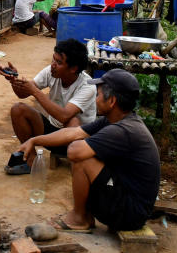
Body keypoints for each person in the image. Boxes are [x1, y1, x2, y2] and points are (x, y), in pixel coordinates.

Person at [16, 69, 161, 233]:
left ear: (112, 101)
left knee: (82, 157)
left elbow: (74, 152)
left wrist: (85, 146)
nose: (95, 99)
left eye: (98, 95)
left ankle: (80, 217)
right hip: (127, 199)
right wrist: (35, 140)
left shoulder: (122, 130)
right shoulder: (115, 120)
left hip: (130, 214)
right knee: (85, 149)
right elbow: (74, 132)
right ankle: (83, 214)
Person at [4, 38, 93, 174]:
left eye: (58, 62)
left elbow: (64, 116)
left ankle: (78, 163)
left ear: (73, 69)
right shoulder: (51, 71)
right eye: (53, 59)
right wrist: (14, 80)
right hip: (52, 134)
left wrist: (34, 91)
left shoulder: (88, 86)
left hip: (75, 140)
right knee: (18, 109)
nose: (53, 65)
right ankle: (31, 160)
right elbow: (22, 94)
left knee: (73, 121)